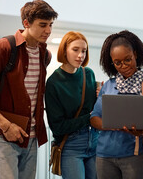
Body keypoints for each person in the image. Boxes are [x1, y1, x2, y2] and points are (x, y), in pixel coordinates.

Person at [0, 0, 58, 179]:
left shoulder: (44, 54)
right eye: (42, 25)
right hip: (2, 133)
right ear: (26, 23)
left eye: (50, 25)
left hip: (31, 136)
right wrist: (5, 125)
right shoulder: (2, 48)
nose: (48, 31)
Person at [90, 30, 143, 179]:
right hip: (104, 155)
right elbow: (94, 118)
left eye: (127, 59)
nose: (123, 66)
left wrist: (139, 130)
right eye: (117, 62)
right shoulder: (108, 85)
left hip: (135, 154)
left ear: (135, 54)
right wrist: (113, 125)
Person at [45, 31, 98, 179]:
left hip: (95, 141)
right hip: (71, 145)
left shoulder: (89, 74)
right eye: (75, 50)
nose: (80, 55)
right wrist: (89, 118)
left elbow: (95, 108)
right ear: (64, 50)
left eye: (84, 51)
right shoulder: (54, 82)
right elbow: (57, 126)